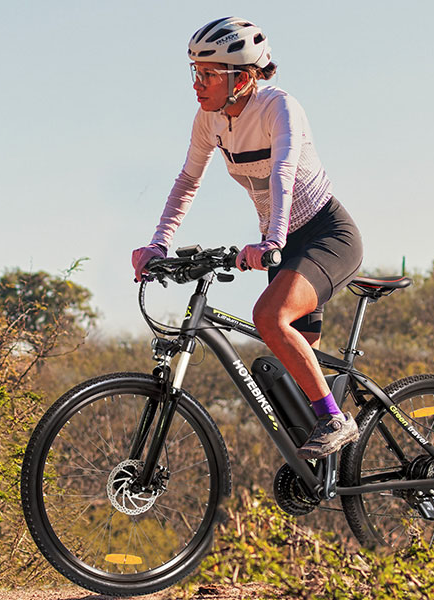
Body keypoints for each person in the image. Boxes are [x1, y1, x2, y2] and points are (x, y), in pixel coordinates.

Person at [132, 17, 363, 460]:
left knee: (269, 318)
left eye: (209, 75)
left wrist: (271, 240)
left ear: (243, 77)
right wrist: (158, 244)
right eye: (195, 73)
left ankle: (338, 419)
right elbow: (187, 181)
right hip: (280, 247)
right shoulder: (209, 120)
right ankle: (328, 473)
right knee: (288, 382)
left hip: (325, 234)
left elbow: (283, 172)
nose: (197, 84)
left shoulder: (280, 107)